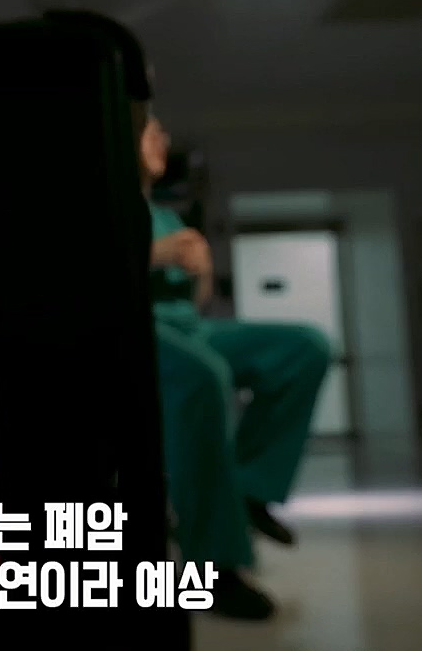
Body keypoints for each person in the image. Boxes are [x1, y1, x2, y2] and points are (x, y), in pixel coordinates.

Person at [140, 116, 332, 620]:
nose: (162, 140)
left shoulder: (167, 217)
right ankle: (212, 564)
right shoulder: (96, 208)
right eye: (150, 131)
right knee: (202, 376)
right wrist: (152, 254)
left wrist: (200, 271)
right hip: (132, 331)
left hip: (187, 327)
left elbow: (195, 302)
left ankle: (250, 490)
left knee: (305, 348)